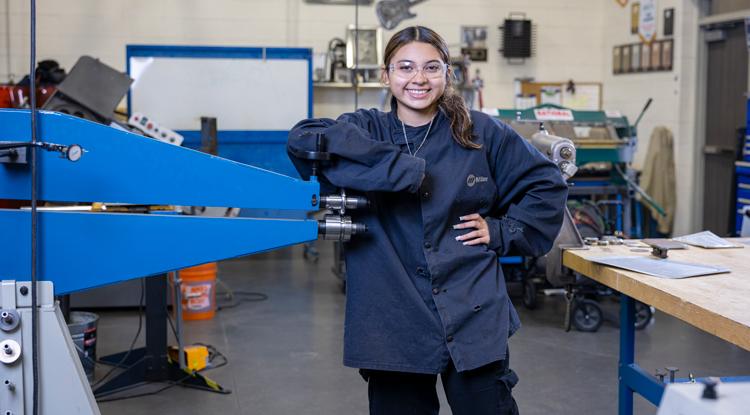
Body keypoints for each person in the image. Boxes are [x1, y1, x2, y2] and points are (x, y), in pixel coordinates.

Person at [288, 26, 568, 415]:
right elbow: (303, 140)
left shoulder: (480, 133)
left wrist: (504, 231)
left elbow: (546, 185)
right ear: (386, 75)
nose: (418, 79)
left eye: (431, 68)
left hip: (472, 309)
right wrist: (398, 169)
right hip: (393, 316)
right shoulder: (367, 128)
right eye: (405, 67)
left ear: (447, 74)